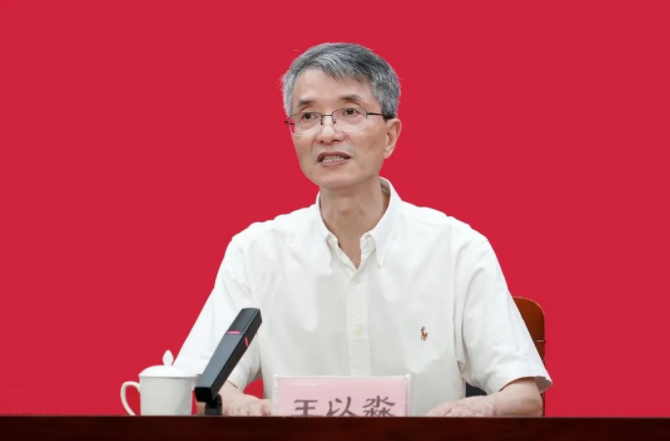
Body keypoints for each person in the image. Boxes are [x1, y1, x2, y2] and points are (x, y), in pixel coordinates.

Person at [174, 42, 552, 417]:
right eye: (308, 116)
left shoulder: (457, 250)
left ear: (389, 136)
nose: (327, 133)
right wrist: (239, 406)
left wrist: (477, 409)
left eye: (349, 112)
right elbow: (208, 381)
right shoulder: (255, 253)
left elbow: (524, 396)